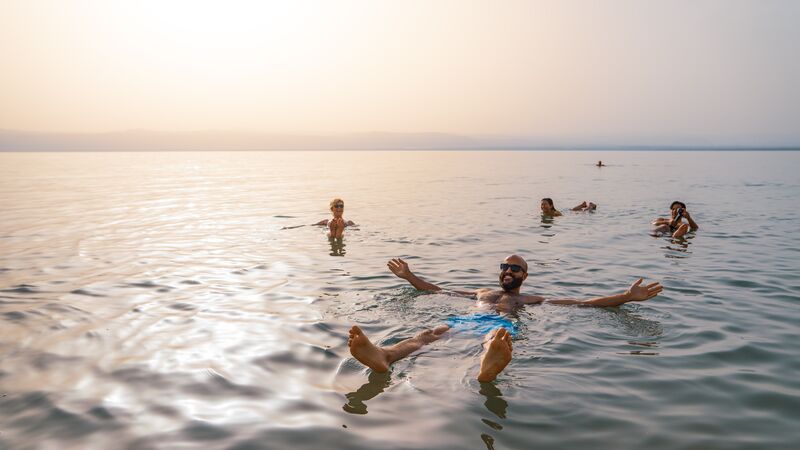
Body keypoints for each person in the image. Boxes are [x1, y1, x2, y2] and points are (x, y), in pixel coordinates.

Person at [347, 255, 662, 382]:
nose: (508, 271)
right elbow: (436, 290)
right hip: (466, 320)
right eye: (505, 266)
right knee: (429, 333)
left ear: (524, 275)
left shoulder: (529, 299)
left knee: (494, 338)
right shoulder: (481, 292)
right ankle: (385, 355)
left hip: (501, 325)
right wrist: (409, 276)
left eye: (515, 268)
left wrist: (625, 296)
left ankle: (488, 368)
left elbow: (584, 303)